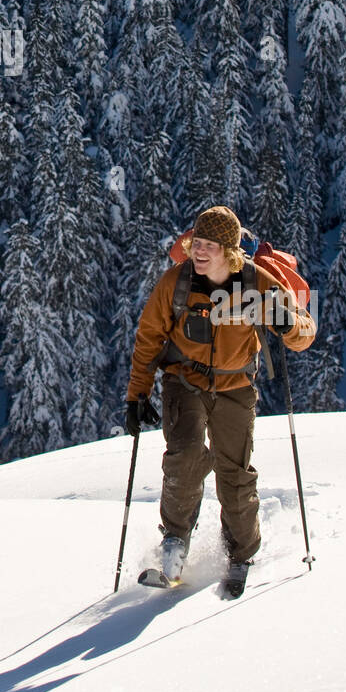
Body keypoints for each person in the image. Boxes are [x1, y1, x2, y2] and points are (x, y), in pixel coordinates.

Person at [125, 205, 316, 589]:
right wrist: (137, 396)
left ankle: (240, 554)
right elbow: (148, 339)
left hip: (235, 388)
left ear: (228, 250)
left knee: (234, 472)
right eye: (197, 242)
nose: (199, 250)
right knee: (184, 458)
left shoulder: (256, 281)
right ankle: (175, 544)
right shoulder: (175, 283)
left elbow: (305, 333)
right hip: (185, 382)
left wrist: (287, 322)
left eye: (210, 245)